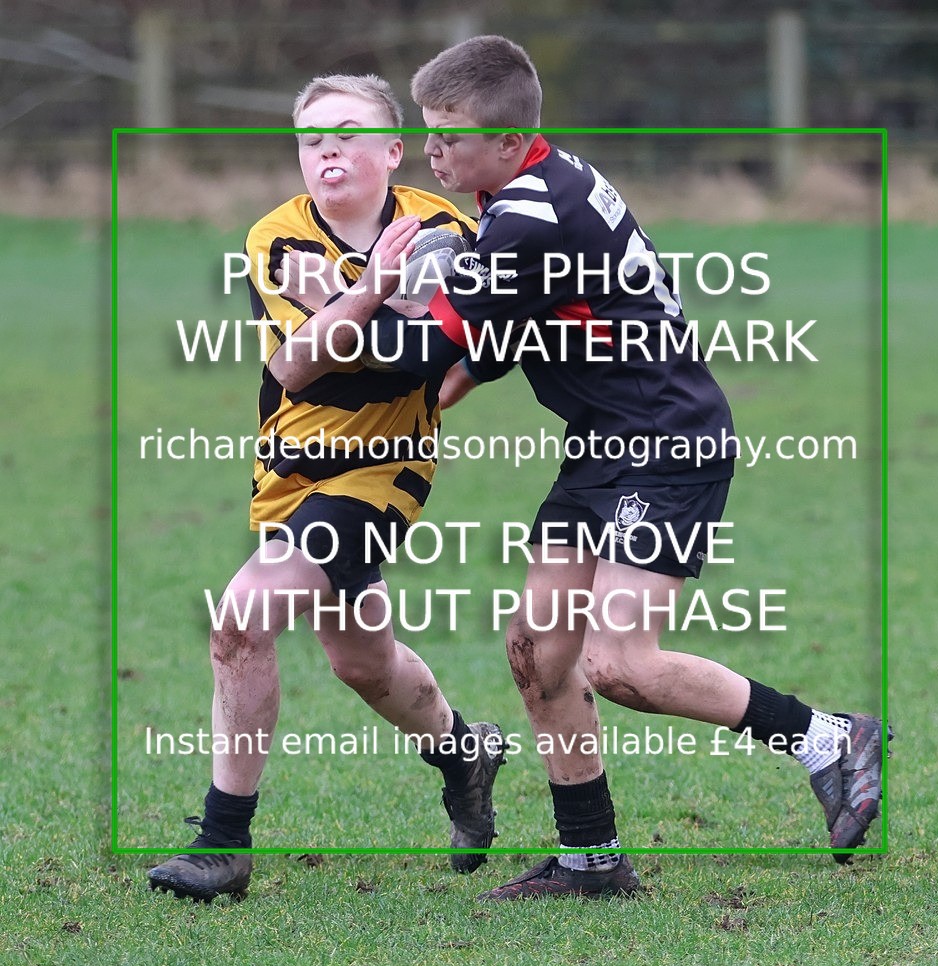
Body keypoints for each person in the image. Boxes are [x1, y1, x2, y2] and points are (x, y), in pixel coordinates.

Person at [341, 36, 891, 900]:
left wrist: (338, 308)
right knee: (537, 655)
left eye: (448, 136)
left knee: (617, 663)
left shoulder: (527, 213)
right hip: (604, 442)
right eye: (427, 133)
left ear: (511, 139)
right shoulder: (525, 188)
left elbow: (425, 350)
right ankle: (589, 860)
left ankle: (828, 739)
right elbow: (504, 328)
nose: (431, 151)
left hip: (667, 443)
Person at [147, 74, 506, 903]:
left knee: (242, 619)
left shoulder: (447, 231)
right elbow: (296, 364)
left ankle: (222, 844)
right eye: (311, 140)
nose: (327, 152)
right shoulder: (276, 237)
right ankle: (464, 753)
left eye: (347, 135)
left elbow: (444, 353)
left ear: (393, 151)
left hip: (384, 469)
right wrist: (372, 303)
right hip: (288, 468)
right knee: (362, 661)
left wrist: (351, 304)